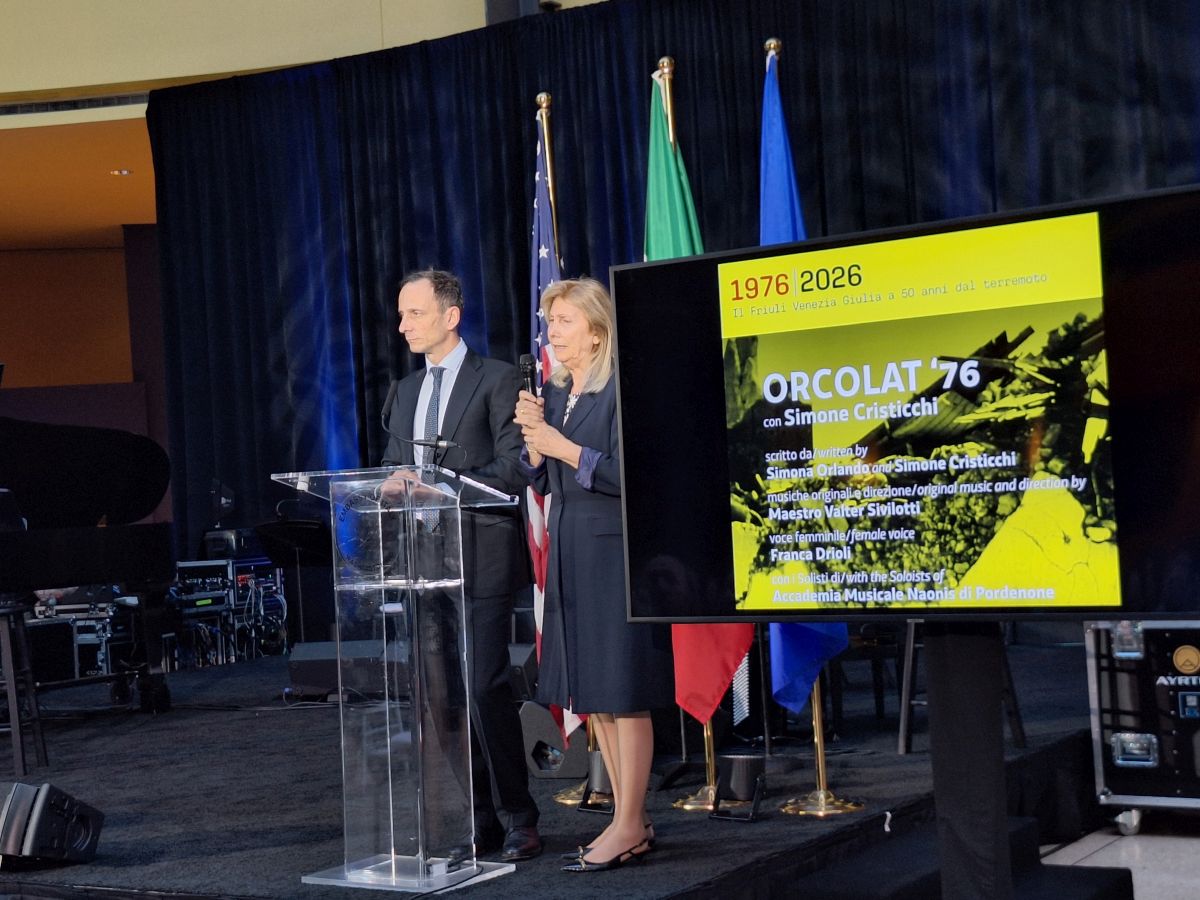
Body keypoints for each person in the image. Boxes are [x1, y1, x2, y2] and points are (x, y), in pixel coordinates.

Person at [513, 277, 674, 873]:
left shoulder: (621, 390)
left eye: (564, 322)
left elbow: (637, 475)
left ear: (598, 331)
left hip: (616, 552)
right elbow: (541, 478)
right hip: (570, 549)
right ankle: (629, 818)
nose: (552, 332)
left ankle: (629, 821)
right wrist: (535, 447)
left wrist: (562, 447)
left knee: (623, 692)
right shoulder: (557, 392)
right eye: (549, 321)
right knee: (597, 693)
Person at [381, 269, 541, 862]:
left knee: (483, 688)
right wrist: (394, 482)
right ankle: (480, 824)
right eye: (401, 314)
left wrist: (442, 485)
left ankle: (519, 816)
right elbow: (390, 467)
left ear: (451, 316)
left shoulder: (497, 380)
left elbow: (514, 469)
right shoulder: (404, 391)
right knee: (442, 698)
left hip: (481, 557)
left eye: (415, 313)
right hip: (425, 564)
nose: (403, 325)